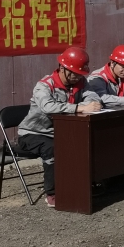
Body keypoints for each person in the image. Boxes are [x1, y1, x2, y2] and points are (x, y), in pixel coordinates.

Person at [18, 47, 102, 207]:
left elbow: (93, 97)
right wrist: (79, 108)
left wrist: (89, 104)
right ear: (63, 68)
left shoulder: (80, 82)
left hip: (62, 132)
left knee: (87, 142)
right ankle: (53, 193)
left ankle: (84, 185)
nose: (78, 76)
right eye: (74, 73)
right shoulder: (44, 85)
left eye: (80, 73)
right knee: (52, 148)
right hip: (33, 133)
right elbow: (48, 107)